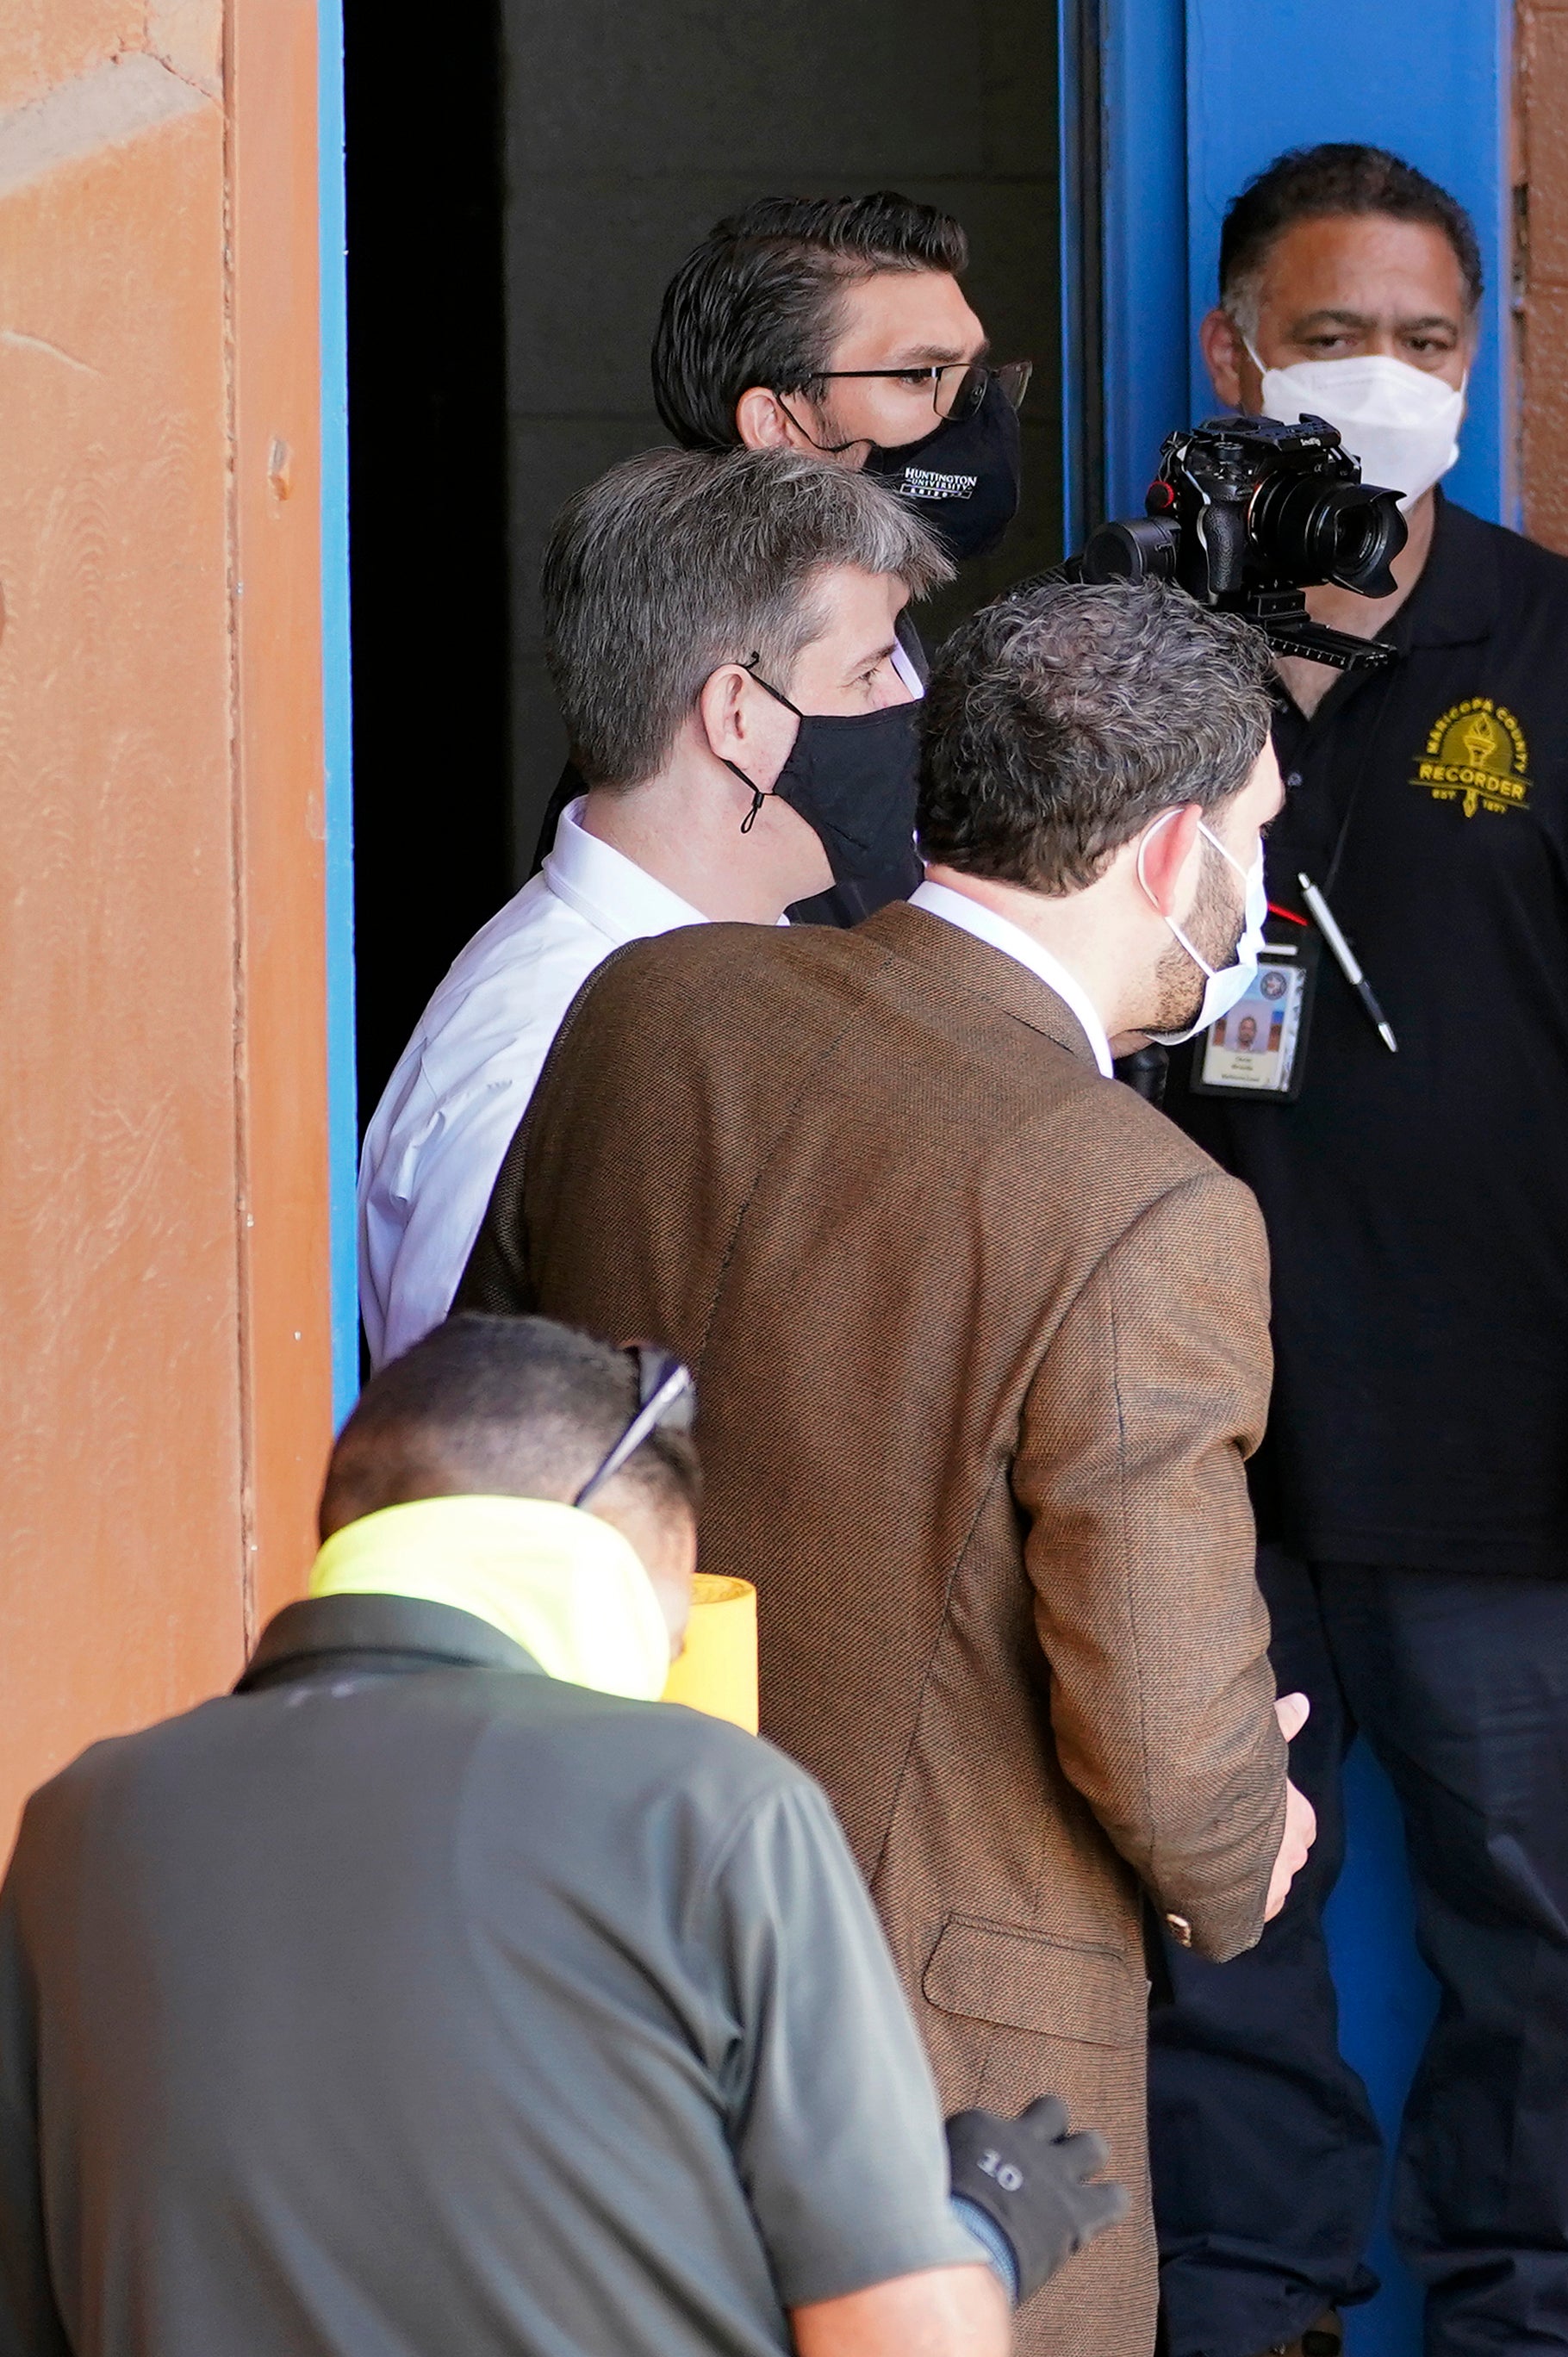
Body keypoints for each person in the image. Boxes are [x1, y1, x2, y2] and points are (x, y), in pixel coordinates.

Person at [464, 580, 1316, 2357]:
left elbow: (489, 1423)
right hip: (934, 2095)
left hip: (573, 1968)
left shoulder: (653, 1005)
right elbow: (1166, 1738)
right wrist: (1251, 1835)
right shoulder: (1143, 1203)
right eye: (1249, 840)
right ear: (1168, 859)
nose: (1257, 894)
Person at [1138, 145, 1568, 2357]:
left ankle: (1517, 2311)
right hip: (1186, 1444)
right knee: (1218, 1914)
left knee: (1536, 1928)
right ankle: (1253, 2302)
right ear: (1234, 353)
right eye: (1338, 341)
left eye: (1432, 343)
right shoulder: (1121, 640)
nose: (1391, 382)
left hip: (1513, 1438)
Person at [0, 1312, 1134, 2356]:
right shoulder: (710, 1805)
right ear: (596, 1559)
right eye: (670, 1627)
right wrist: (985, 2225)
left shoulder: (81, 1826)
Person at [358, 445, 947, 1365]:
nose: (908, 705)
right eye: (872, 674)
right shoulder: (534, 1059)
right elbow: (481, 1459)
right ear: (739, 717)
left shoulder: (756, 959)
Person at [537, 191, 1029, 922]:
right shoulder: (709, 758)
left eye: (973, 376)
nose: (969, 413)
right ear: (777, 422)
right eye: (919, 376)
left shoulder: (896, 661)